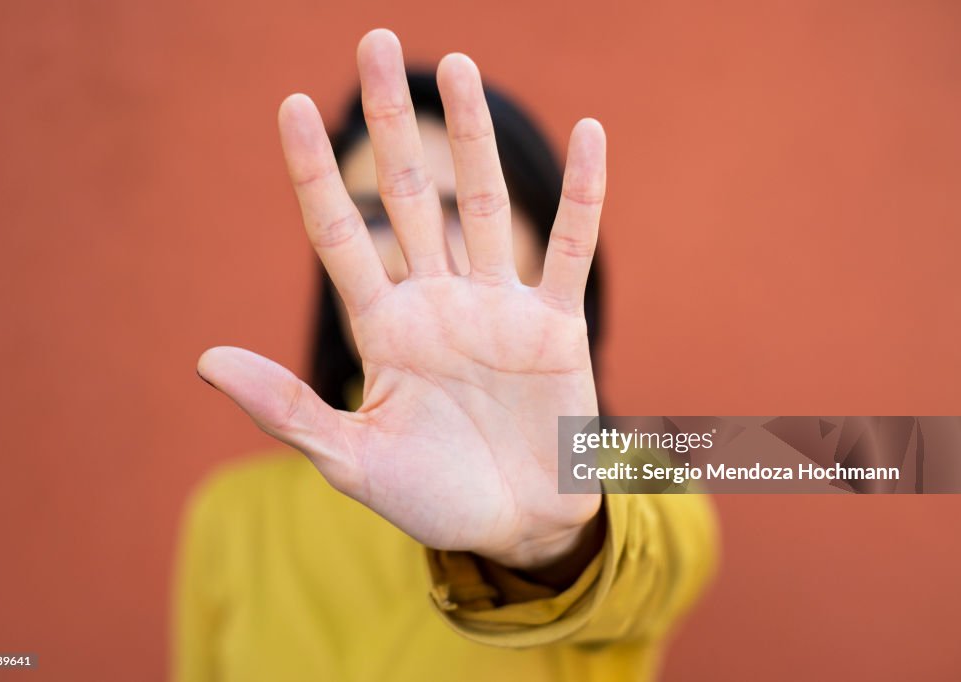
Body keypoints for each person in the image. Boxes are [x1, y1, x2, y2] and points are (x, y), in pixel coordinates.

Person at [175, 29, 718, 682]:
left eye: (459, 210)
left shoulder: (644, 482)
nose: (411, 249)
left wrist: (551, 544)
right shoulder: (232, 517)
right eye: (375, 217)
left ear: (542, 243)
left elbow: (654, 572)